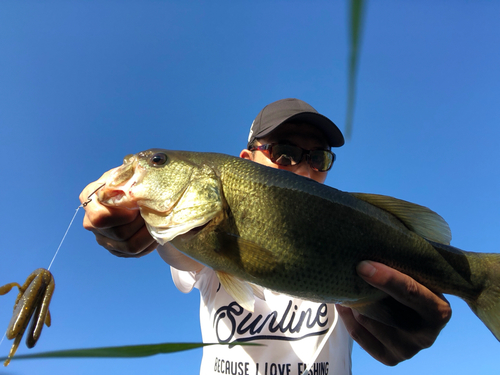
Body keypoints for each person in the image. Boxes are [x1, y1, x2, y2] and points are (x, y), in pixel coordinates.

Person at [80, 98, 452, 374]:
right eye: (284, 153)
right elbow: (157, 237)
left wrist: (406, 322)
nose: (303, 169)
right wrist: (117, 215)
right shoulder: (198, 245)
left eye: (318, 158)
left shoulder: (352, 233)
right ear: (246, 160)